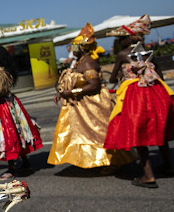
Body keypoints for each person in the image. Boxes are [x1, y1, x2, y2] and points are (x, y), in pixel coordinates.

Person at [47, 23, 135, 171]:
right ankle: (93, 160)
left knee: (99, 132)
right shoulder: (79, 62)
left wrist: (72, 93)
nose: (72, 50)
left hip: (94, 103)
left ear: (81, 48)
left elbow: (94, 84)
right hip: (82, 104)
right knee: (85, 134)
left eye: (74, 47)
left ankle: (111, 161)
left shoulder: (88, 63)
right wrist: (62, 92)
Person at [104, 14, 174, 188]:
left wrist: (120, 75)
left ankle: (148, 176)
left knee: (138, 133)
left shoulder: (122, 54)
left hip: (135, 96)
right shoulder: (149, 52)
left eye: (120, 39)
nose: (118, 42)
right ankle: (168, 165)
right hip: (156, 91)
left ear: (129, 39)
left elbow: (113, 77)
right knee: (159, 129)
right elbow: (158, 71)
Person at [0, 39, 43, 179]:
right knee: (17, 133)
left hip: (4, 107)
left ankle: (12, 168)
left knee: (8, 136)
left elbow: (0, 92)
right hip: (5, 104)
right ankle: (25, 162)